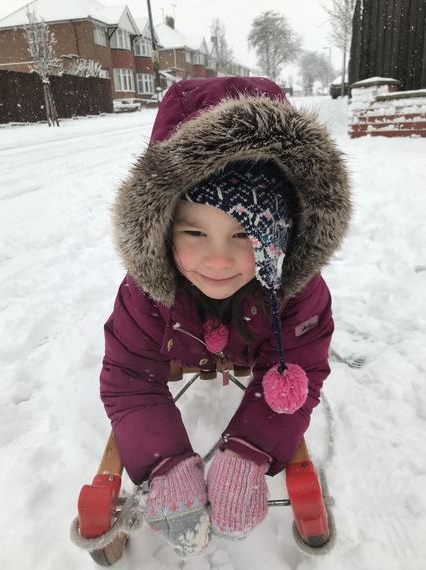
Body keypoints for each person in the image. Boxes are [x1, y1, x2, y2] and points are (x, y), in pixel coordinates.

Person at [100, 77, 351, 557]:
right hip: (187, 342)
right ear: (162, 230)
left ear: (281, 235)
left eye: (244, 235)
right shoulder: (146, 294)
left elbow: (302, 363)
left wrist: (250, 451)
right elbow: (129, 377)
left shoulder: (297, 294)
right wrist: (165, 464)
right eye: (195, 232)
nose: (218, 260)